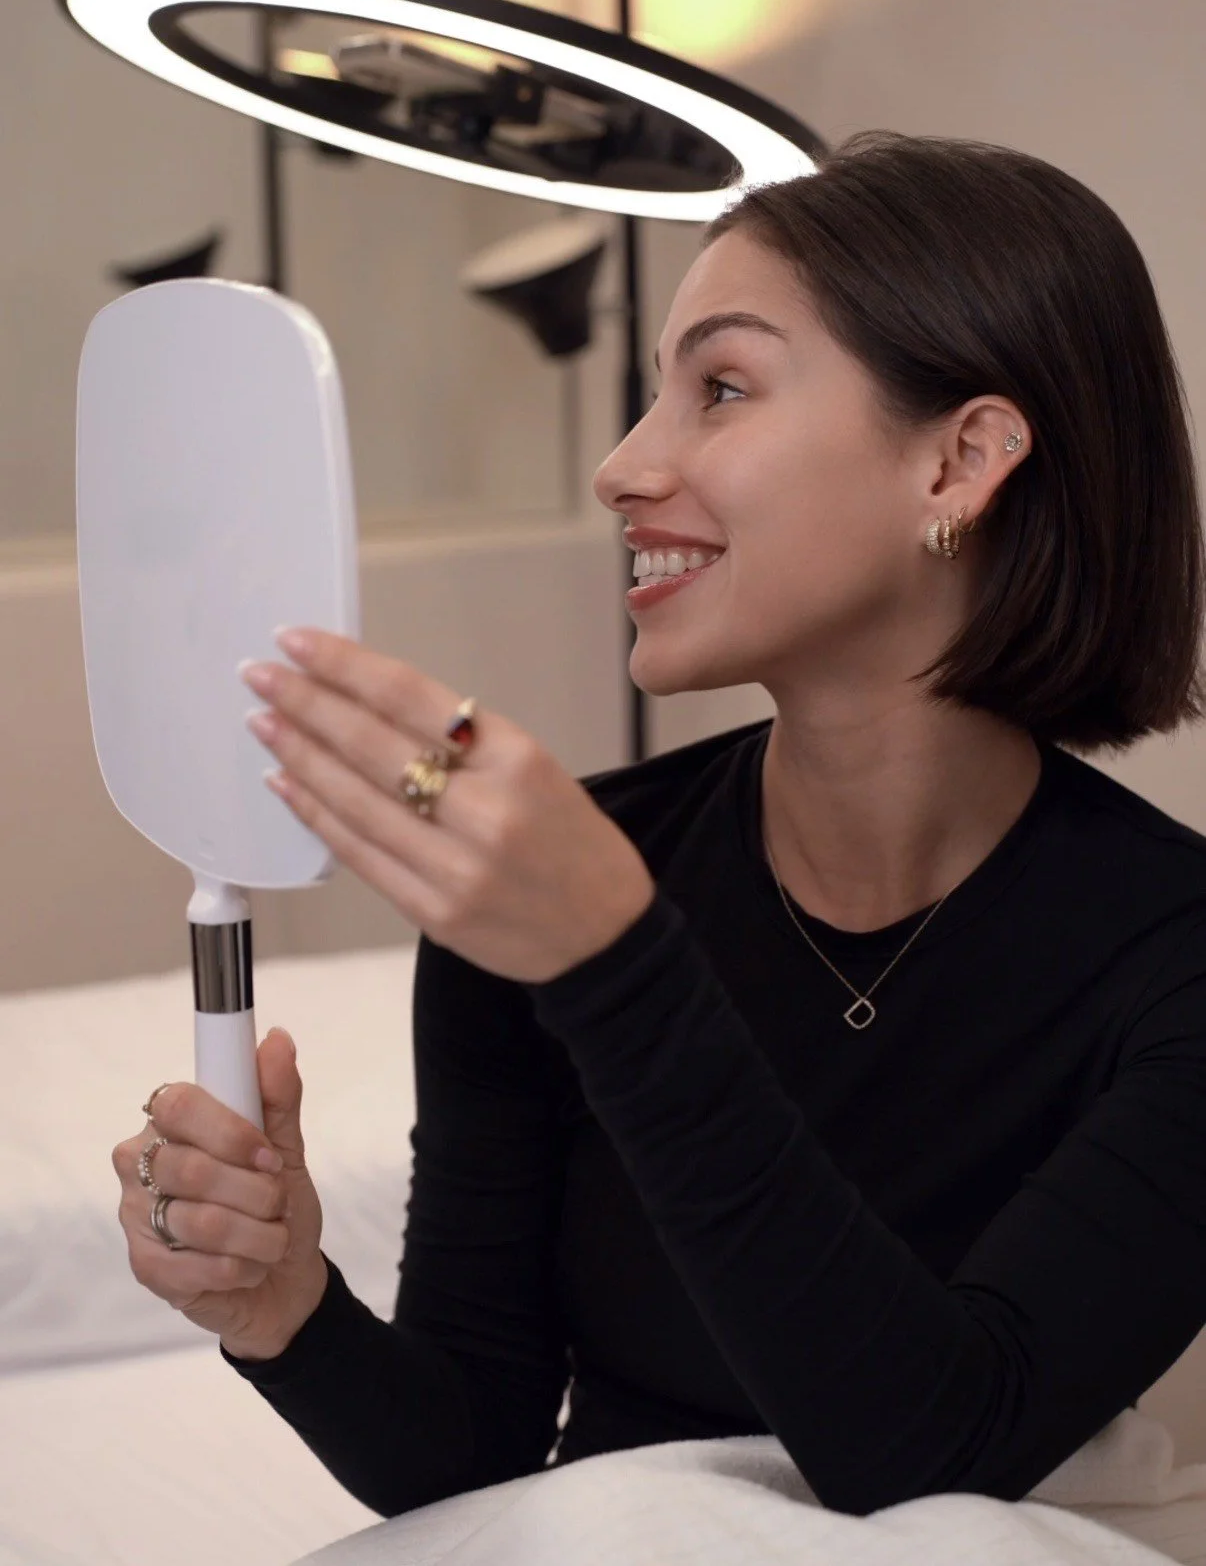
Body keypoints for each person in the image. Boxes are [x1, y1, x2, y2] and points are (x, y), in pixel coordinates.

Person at [111, 131, 1206, 1524]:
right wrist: (286, 1311)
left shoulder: (1170, 957)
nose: (623, 468)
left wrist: (613, 960)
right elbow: (476, 1466)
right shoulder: (547, 897)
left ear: (959, 464)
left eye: (722, 388)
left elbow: (935, 1450)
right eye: (653, 396)